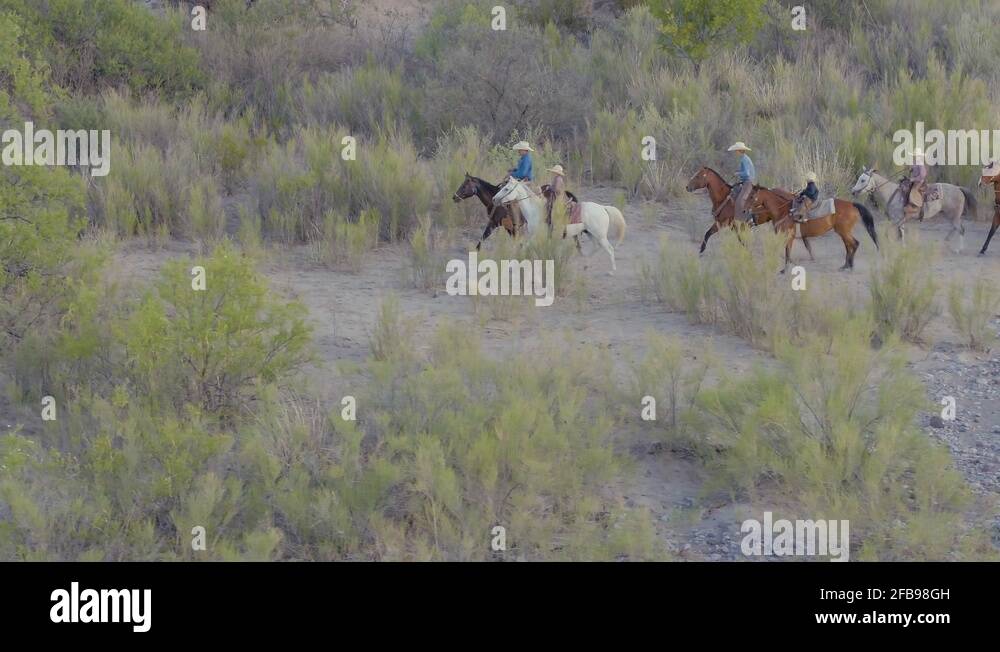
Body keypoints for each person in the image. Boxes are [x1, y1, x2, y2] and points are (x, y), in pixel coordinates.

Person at [728, 142, 756, 221]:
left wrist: (737, 173)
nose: (735, 152)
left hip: (748, 182)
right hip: (746, 181)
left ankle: (748, 219)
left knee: (740, 201)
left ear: (739, 150)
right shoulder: (744, 158)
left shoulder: (744, 159)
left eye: (736, 150)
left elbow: (746, 173)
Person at [901, 148, 928, 217]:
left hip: (919, 182)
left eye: (916, 155)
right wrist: (910, 169)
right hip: (914, 180)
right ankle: (906, 204)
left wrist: (913, 179)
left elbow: (923, 175)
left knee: (913, 192)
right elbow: (913, 169)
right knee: (904, 186)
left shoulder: (920, 163)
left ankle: (916, 208)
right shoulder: (915, 162)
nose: (914, 157)